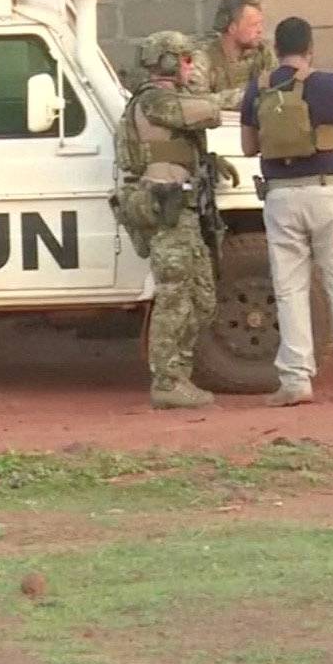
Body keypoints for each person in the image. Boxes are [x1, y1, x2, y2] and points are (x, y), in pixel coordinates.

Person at [241, 16, 333, 407]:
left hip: (280, 197)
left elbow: (247, 147)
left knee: (290, 291)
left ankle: (295, 381)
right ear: (311, 49)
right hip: (326, 194)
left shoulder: (258, 88)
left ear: (276, 50)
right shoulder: (329, 85)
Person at [112, 30, 222, 410]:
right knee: (174, 295)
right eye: (185, 60)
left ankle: (181, 374)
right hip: (165, 208)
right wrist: (226, 96)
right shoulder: (155, 100)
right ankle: (167, 381)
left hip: (183, 208)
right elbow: (207, 113)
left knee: (202, 297)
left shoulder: (167, 101)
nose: (190, 66)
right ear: (169, 62)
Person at [189, 0, 276, 109]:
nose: (260, 30)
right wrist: (243, 97)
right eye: (254, 25)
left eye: (260, 24)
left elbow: (277, 93)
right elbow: (197, 102)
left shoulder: (263, 53)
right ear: (232, 27)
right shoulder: (203, 57)